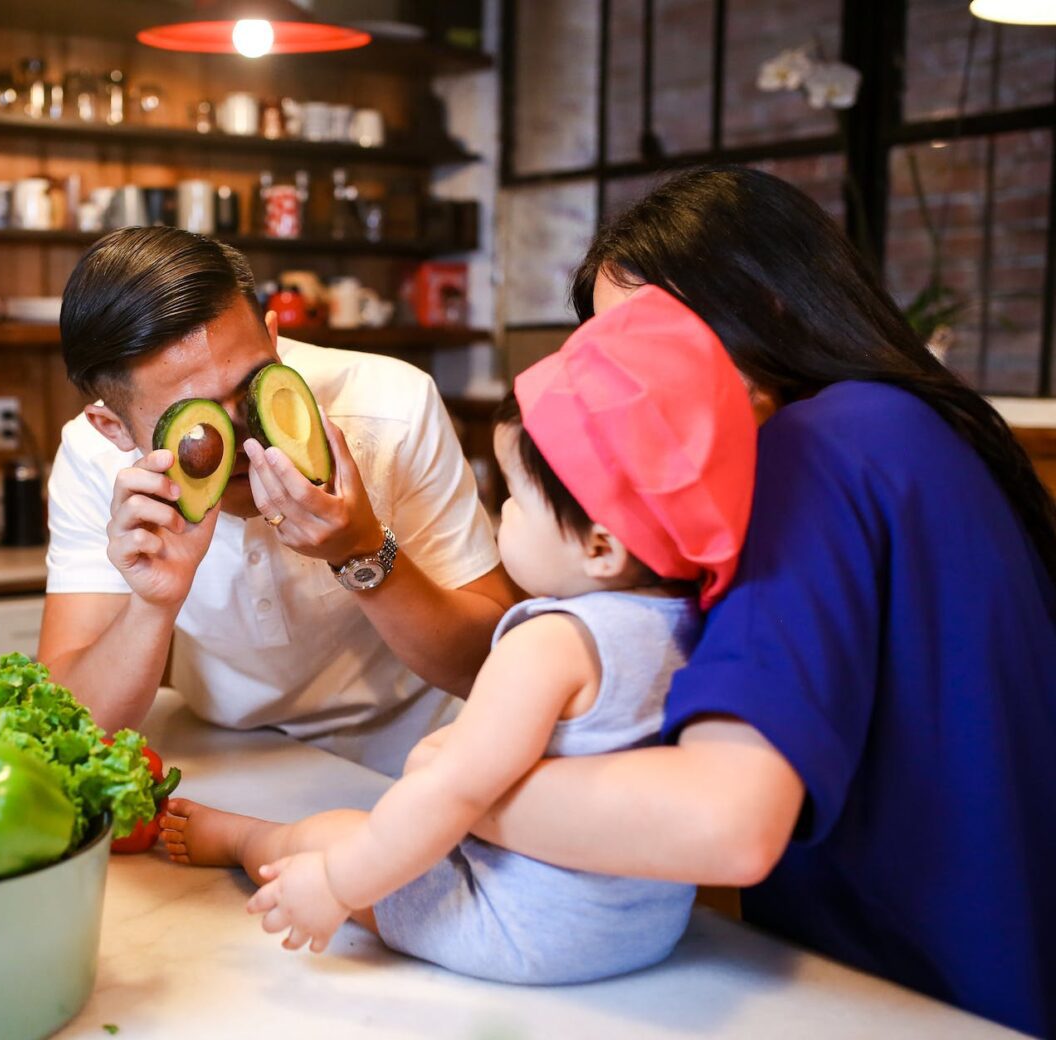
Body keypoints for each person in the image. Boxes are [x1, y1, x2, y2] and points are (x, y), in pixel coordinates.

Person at [432, 167, 1053, 1035]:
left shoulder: (809, 455)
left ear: (768, 308)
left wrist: (451, 787)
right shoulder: (919, 427)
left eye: (646, 342)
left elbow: (725, 822)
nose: (622, 391)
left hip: (909, 999)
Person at [161, 286, 757, 982]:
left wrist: (335, 887)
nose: (503, 518)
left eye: (516, 500)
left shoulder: (549, 643)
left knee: (335, 833)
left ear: (601, 546)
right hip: (643, 930)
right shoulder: (687, 620)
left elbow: (451, 796)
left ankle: (243, 839)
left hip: (515, 929)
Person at [37, 227, 521, 775]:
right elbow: (70, 726)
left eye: (253, 385)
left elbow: (488, 663)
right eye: (195, 421)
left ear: (272, 336)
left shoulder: (394, 405)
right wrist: (153, 604)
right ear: (114, 428)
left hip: (423, 751)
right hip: (231, 754)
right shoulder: (91, 458)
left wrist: (359, 550)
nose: (247, 440)